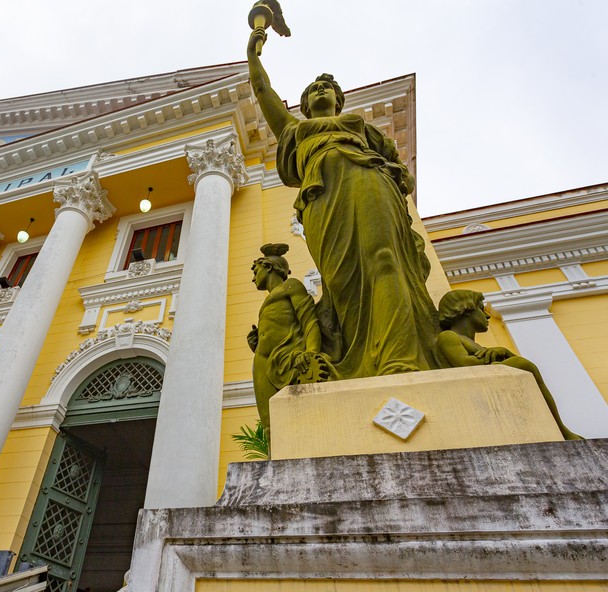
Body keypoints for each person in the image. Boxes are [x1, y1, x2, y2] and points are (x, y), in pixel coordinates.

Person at [246, 27, 442, 379]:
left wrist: (399, 176)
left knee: (385, 258)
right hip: (322, 198)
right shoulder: (292, 129)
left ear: (339, 100)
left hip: (367, 179)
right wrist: (254, 50)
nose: (321, 89)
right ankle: (359, 359)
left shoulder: (361, 128)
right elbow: (263, 92)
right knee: (339, 280)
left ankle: (400, 358)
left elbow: (400, 172)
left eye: (328, 88)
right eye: (313, 89)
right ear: (304, 106)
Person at [436, 289, 581, 440]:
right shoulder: (448, 336)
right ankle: (560, 428)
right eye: (481, 308)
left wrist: (503, 352)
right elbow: (463, 363)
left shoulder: (478, 346)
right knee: (522, 364)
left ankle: (559, 427)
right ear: (465, 309)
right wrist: (499, 357)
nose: (487, 315)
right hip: (471, 392)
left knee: (524, 366)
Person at [247, 244, 330, 439]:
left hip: (285, 358)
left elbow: (309, 321)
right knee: (268, 425)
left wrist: (311, 352)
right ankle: (272, 463)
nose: (253, 277)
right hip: (262, 361)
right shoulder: (268, 300)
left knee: (297, 412)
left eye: (255, 270)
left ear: (268, 267)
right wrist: (256, 343)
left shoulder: (291, 286)